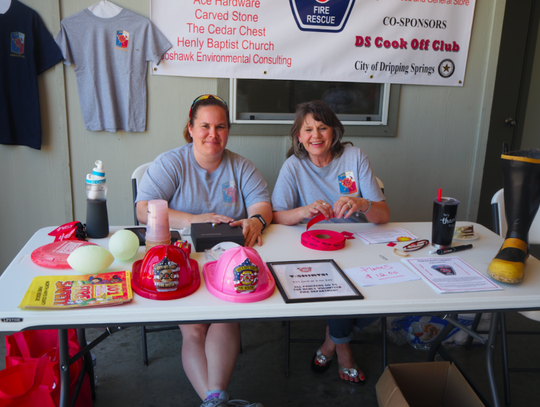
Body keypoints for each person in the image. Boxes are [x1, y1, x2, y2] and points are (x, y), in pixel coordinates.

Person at [136, 94, 271, 407]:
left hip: (227, 260)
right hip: (182, 259)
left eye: (220, 126)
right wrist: (197, 219)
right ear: (191, 128)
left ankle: (214, 401)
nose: (214, 134)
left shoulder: (241, 166)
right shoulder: (172, 162)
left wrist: (256, 220)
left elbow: (263, 205)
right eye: (205, 126)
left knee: (226, 316)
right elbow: (144, 211)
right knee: (195, 325)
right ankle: (216, 399)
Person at [272, 100, 390, 385]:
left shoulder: (355, 157)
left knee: (391, 291)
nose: (316, 135)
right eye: (308, 129)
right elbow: (275, 216)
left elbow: (383, 215)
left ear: (334, 132)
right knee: (336, 286)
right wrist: (302, 211)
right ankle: (344, 352)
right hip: (313, 247)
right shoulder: (293, 167)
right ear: (299, 136)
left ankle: (330, 344)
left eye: (322, 127)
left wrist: (362, 203)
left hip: (358, 243)